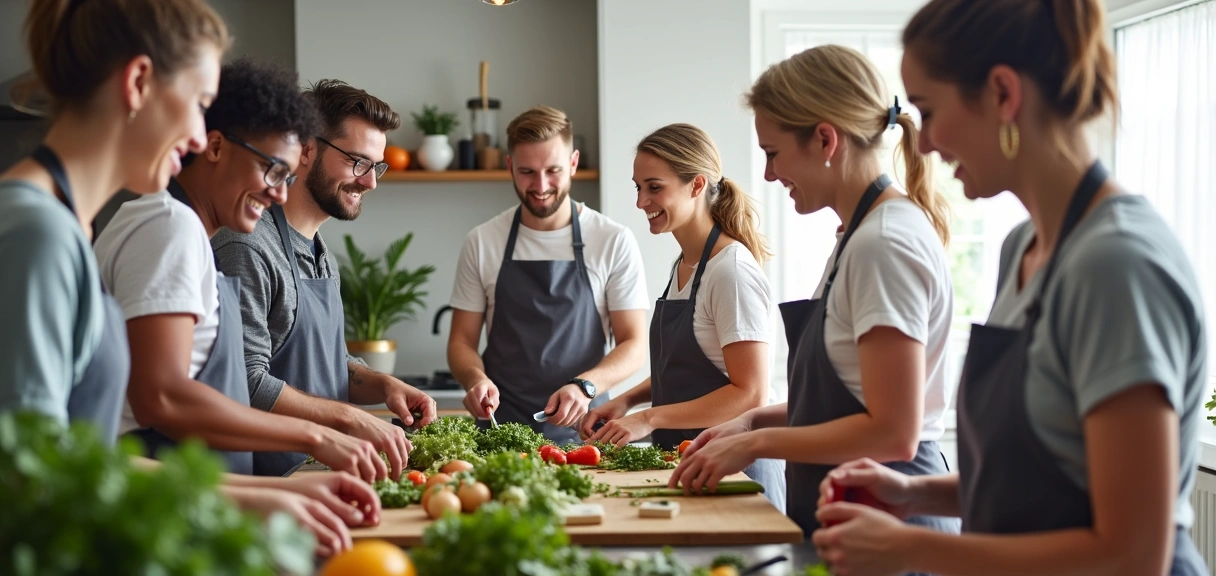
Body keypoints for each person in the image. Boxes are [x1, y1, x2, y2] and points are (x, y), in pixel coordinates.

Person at [811, 2, 1210, 575]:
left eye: (929, 110)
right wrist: (913, 492)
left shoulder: (1115, 264)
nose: (923, 145)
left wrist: (911, 546)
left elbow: (1132, 554)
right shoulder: (1023, 246)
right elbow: (1041, 482)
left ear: (1003, 93)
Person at [0, 0, 377, 557]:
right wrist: (287, 465)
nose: (201, 135)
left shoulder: (62, 225)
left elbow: (86, 456)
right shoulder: (40, 231)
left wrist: (264, 493)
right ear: (138, 83)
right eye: (201, 105)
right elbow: (32, 473)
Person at [670, 45, 961, 546]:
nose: (768, 174)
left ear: (826, 139)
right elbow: (845, 401)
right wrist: (751, 421)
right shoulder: (860, 236)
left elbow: (893, 431)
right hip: (851, 519)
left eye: (773, 153)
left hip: (889, 529)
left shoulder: (883, 243)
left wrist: (759, 443)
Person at [94, 57, 385, 482]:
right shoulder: (170, 228)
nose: (279, 194)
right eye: (272, 170)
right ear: (215, 148)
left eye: (286, 175)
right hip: (153, 495)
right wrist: (320, 434)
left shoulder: (186, 232)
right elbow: (161, 399)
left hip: (197, 487)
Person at [212, 80, 437, 478]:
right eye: (357, 161)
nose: (370, 182)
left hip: (322, 477)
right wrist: (351, 418)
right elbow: (245, 381)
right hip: (270, 486)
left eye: (376, 166)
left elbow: (330, 366)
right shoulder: (248, 246)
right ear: (307, 149)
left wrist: (384, 385)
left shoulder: (321, 254)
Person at [580, 123, 785, 511]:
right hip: (693, 465)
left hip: (737, 473)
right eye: (638, 187)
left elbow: (750, 393)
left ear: (696, 185)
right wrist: (626, 401)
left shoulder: (730, 271)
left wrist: (648, 419)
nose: (641, 201)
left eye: (654, 187)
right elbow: (686, 372)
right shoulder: (686, 264)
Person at [448, 106, 649, 444]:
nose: (540, 186)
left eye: (553, 170)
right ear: (510, 166)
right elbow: (461, 342)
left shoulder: (612, 240)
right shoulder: (482, 241)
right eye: (527, 171)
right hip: (501, 434)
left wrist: (585, 386)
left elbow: (634, 344)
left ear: (573, 163)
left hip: (586, 432)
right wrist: (475, 379)